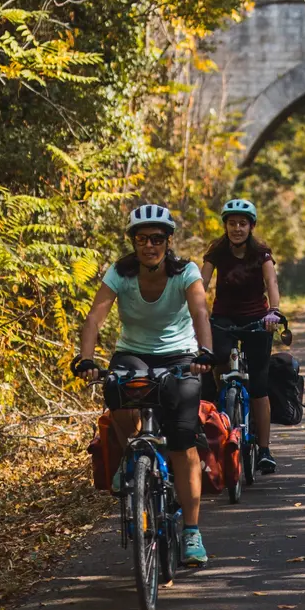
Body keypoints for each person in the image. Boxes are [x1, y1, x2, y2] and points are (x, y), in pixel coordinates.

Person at [74, 204, 216, 567]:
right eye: (142, 239)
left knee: (183, 440)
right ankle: (131, 458)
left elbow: (200, 312)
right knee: (117, 397)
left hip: (181, 356)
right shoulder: (120, 274)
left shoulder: (186, 272)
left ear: (168, 242)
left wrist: (205, 352)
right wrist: (87, 358)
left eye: (156, 239)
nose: (149, 245)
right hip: (133, 353)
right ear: (134, 243)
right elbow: (95, 316)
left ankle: (191, 531)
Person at [200, 198, 285, 475]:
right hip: (223, 317)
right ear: (225, 226)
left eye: (242, 224)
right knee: (219, 359)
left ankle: (264, 450)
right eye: (232, 223)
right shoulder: (217, 251)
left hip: (257, 318)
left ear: (251, 227)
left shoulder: (261, 252)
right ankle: (221, 409)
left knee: (259, 385)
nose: (237, 228)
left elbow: (271, 282)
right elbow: (201, 283)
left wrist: (274, 312)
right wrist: (195, 311)